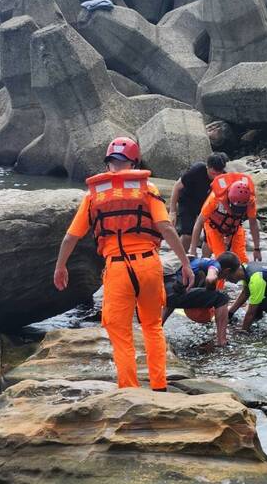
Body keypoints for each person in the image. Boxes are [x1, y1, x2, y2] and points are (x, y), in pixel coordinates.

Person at [53, 137, 193, 391]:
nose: (115, 168)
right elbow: (165, 227)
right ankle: (159, 386)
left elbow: (71, 236)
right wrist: (185, 263)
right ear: (135, 162)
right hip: (149, 265)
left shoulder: (94, 195)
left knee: (120, 332)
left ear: (110, 165)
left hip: (117, 268)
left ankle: (129, 390)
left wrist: (60, 266)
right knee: (152, 326)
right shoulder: (148, 189)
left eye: (114, 164)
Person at [188, 172, 262, 263]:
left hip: (235, 227)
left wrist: (257, 248)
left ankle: (240, 276)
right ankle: (211, 269)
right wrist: (193, 250)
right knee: (221, 258)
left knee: (242, 260)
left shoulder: (249, 201)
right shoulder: (215, 199)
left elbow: (253, 223)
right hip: (213, 226)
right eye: (235, 209)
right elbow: (199, 222)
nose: (237, 212)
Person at [162, 256, 229, 346]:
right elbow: (210, 279)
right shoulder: (214, 264)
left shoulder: (195, 262)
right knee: (221, 297)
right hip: (170, 291)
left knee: (179, 290)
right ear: (226, 271)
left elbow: (172, 298)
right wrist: (210, 294)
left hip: (161, 289)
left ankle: (158, 326)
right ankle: (222, 342)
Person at [169, 153, 229, 252]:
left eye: (219, 174)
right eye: (213, 174)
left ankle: (205, 262)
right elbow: (177, 186)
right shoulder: (197, 170)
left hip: (208, 204)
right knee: (187, 234)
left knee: (210, 237)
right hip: (188, 201)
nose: (215, 177)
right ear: (207, 167)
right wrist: (172, 211)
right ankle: (179, 259)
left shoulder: (223, 178)